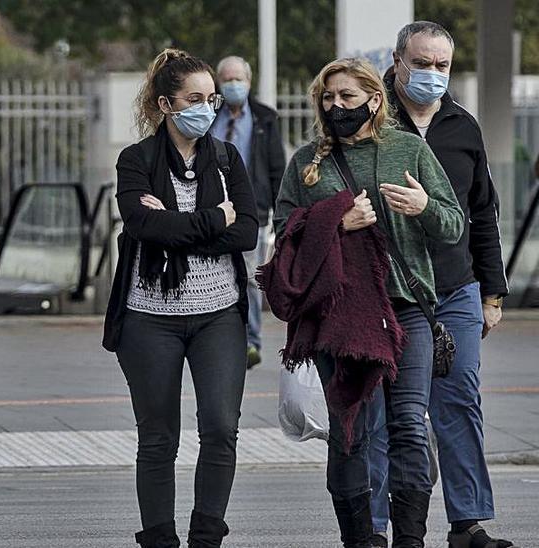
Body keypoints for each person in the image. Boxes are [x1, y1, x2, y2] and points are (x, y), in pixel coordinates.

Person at [272, 58, 462, 548]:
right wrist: (335, 221)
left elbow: (454, 224)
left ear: (375, 100)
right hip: (341, 315)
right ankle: (360, 538)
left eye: (347, 97)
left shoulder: (408, 149)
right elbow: (286, 232)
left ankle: (410, 539)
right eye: (328, 98)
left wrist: (423, 207)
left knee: (409, 427)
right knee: (350, 427)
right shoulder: (305, 162)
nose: (337, 106)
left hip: (405, 310)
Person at [101, 48, 258, 547]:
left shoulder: (228, 159)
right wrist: (216, 220)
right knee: (158, 437)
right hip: (150, 316)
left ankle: (206, 535)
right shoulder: (137, 160)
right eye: (194, 98)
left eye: (212, 98)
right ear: (167, 104)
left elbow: (249, 232)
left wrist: (178, 228)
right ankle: (160, 539)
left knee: (219, 426)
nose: (207, 107)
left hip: (219, 315)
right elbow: (144, 224)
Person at [366, 22, 513, 548]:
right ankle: (376, 526)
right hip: (389, 293)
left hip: (455, 288)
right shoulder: (371, 120)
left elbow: (483, 213)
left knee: (459, 401)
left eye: (442, 66)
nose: (432, 74)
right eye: (421, 63)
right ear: (397, 60)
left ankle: (468, 522)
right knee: (384, 410)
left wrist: (491, 293)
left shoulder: (462, 126)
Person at [212, 55, 286, 369]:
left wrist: (279, 211)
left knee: (249, 279)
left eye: (237, 79)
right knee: (216, 275)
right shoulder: (208, 115)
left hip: (251, 210)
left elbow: (275, 166)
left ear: (249, 82)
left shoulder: (264, 119)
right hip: (211, 209)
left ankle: (250, 343)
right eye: (227, 79)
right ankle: (218, 339)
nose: (232, 85)